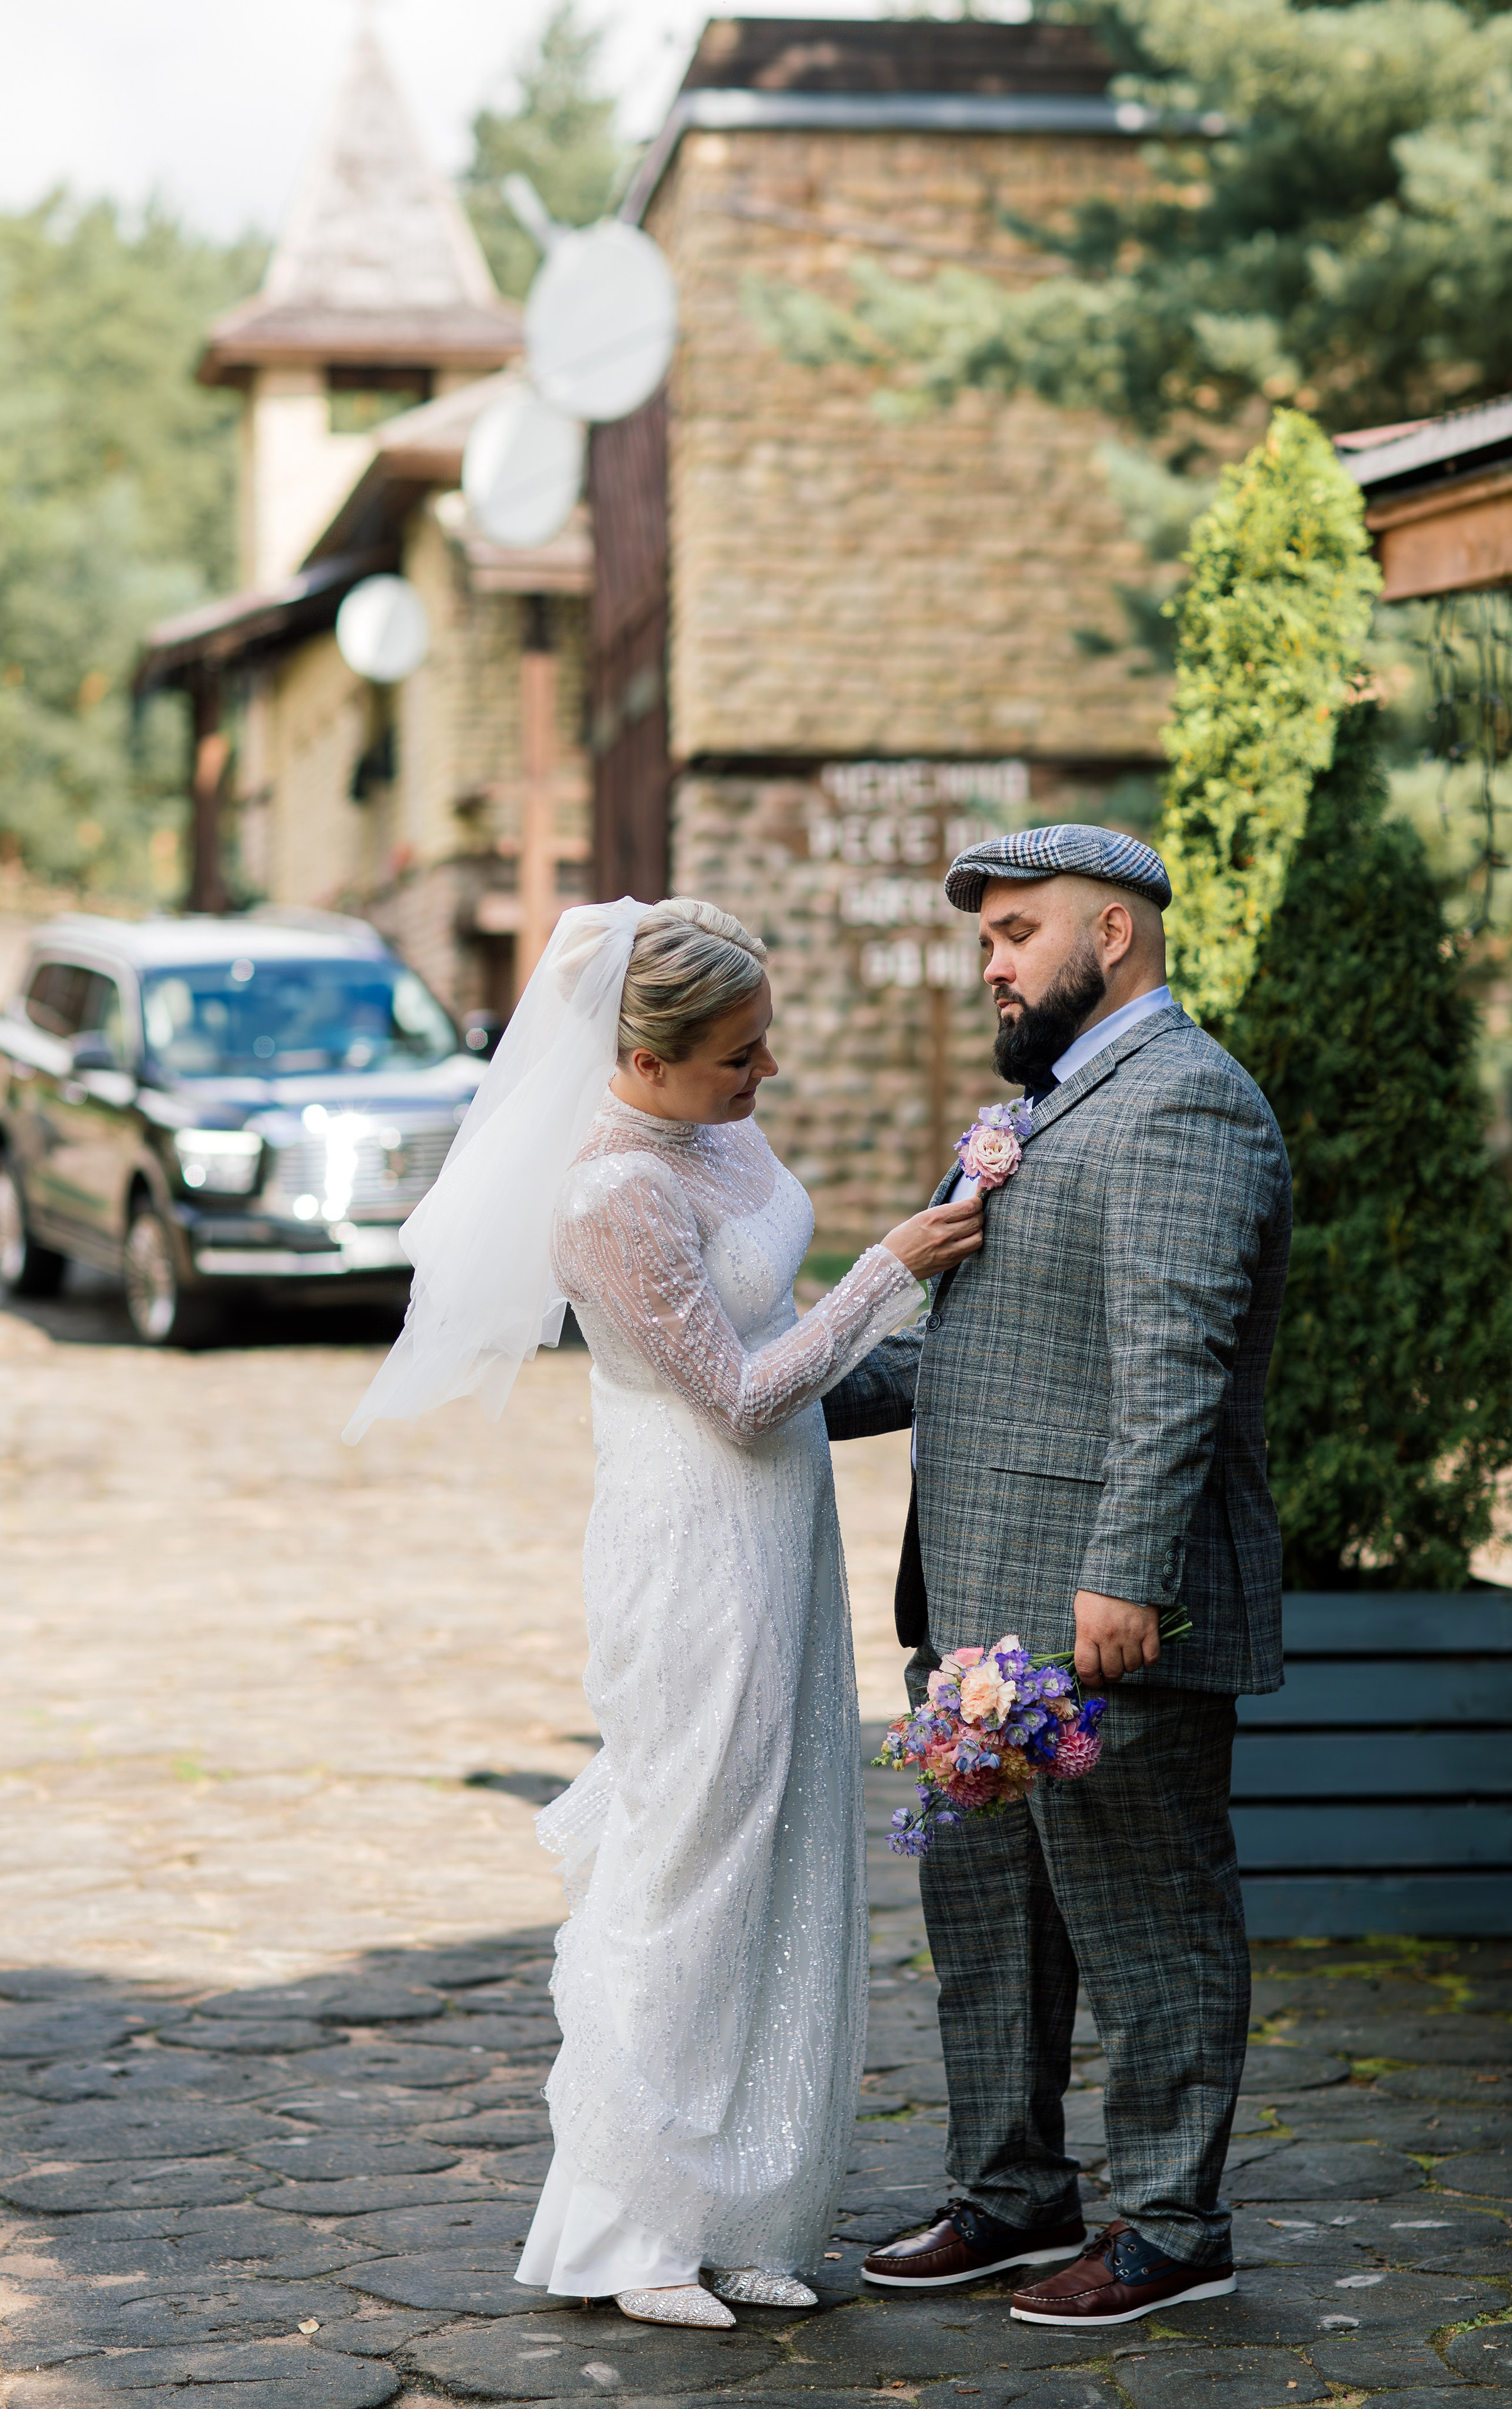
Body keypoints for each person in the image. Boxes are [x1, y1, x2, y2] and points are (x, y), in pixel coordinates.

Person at [346, 896, 986, 2331]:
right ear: (640, 1059)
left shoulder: (708, 1134)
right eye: (736, 1061)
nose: (764, 1081)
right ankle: (635, 2229)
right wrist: (893, 1272)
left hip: (781, 1533)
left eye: (763, 1051)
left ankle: (748, 2205)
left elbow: (772, 1305)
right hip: (689, 1544)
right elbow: (744, 1389)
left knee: (785, 1856)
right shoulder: (608, 1198)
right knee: (686, 1866)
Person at [824, 824, 1292, 2329]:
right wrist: (735, 1384)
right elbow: (952, 1349)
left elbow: (1174, 1367)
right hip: (973, 1616)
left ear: (1113, 934)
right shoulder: (1030, 1111)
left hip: (1105, 1614)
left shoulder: (1183, 1106)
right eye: (982, 940)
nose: (991, 964)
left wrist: (1127, 1573)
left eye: (1015, 933)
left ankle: (1172, 2224)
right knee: (987, 1925)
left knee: (1148, 1922)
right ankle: (1011, 2194)